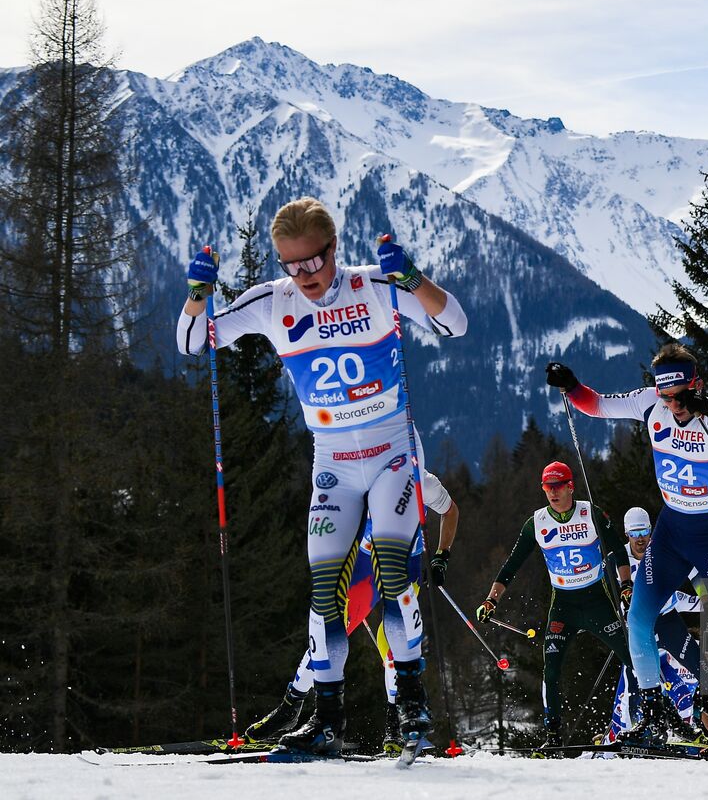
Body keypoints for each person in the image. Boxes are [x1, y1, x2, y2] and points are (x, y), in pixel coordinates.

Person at [178, 197, 467, 755]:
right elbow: (194, 343)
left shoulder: (375, 285)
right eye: (291, 264)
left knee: (389, 570)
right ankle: (328, 720)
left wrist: (412, 277)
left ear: (334, 248)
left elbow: (453, 323)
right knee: (325, 588)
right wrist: (196, 298)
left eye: (313, 262)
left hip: (393, 452)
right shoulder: (271, 302)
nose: (304, 276)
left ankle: (412, 706)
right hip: (333, 459)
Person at [544, 345, 708, 757]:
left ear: (696, 387)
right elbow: (597, 406)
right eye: (667, 398)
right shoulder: (651, 405)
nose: (674, 406)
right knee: (638, 623)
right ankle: (654, 715)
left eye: (681, 397)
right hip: (671, 531)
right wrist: (571, 386)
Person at [245, 470, 459, 754]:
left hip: (404, 566)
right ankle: (290, 707)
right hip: (364, 567)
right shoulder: (363, 473)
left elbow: (451, 511)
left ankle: (395, 725)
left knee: (394, 643)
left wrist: (442, 557)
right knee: (331, 631)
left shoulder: (424, 481)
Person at [476, 461, 634, 752]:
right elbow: (511, 565)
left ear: (570, 486)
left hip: (596, 601)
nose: (552, 493)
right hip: (563, 605)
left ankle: (645, 720)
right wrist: (492, 599)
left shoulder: (591, 514)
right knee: (551, 670)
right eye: (547, 488)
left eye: (558, 486)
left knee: (631, 657)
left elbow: (618, 549)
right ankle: (554, 736)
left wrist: (625, 585)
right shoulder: (536, 522)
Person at [617, 506, 708, 742]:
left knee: (702, 670)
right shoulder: (618, 559)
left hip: (667, 622)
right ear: (626, 534)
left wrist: (705, 598)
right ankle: (648, 727)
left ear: (651, 530)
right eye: (635, 533)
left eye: (644, 531)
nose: (640, 539)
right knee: (638, 678)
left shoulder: (661, 550)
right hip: (639, 626)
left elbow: (694, 572)